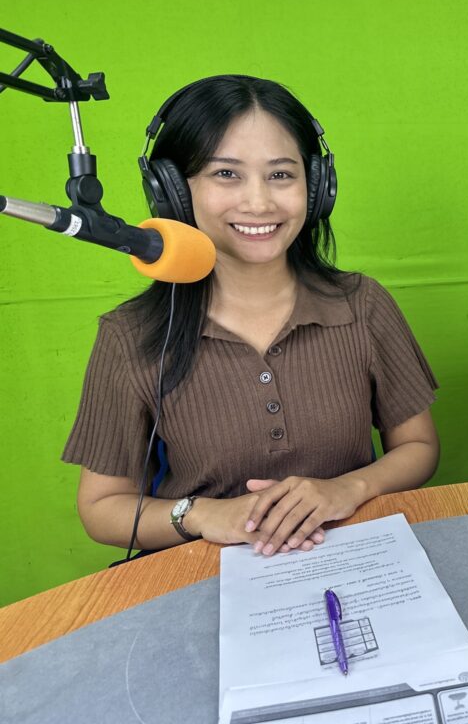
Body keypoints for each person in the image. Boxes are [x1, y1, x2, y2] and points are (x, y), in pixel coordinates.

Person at [65, 75, 439, 556]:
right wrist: (202, 515)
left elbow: (419, 448)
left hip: (348, 560)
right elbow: (101, 508)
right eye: (226, 174)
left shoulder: (363, 304)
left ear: (317, 186)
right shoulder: (129, 335)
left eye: (281, 175)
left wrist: (349, 488)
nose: (259, 202)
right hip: (206, 572)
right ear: (172, 191)